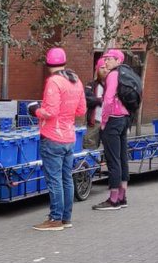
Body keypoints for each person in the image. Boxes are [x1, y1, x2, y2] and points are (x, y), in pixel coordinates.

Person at [30, 47, 86, 231]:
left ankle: (55, 219)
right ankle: (66, 218)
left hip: (52, 136)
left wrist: (34, 110)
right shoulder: (75, 80)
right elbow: (81, 110)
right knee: (66, 179)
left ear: (47, 64)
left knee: (54, 180)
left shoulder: (54, 82)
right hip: (69, 136)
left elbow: (50, 112)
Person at [94, 49, 130, 211]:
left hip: (113, 120)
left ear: (118, 60)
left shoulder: (114, 75)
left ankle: (113, 199)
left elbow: (108, 99)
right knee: (122, 158)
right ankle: (123, 196)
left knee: (113, 159)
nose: (106, 62)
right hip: (124, 118)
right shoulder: (126, 73)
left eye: (109, 59)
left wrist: (103, 121)